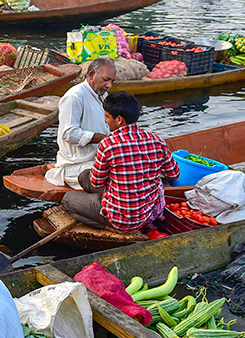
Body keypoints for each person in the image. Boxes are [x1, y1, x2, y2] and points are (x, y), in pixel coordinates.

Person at [61, 91, 180, 233]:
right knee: (83, 176)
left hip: (120, 219)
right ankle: (103, 202)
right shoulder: (158, 141)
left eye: (107, 117)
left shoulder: (107, 144)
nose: (105, 120)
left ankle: (109, 227)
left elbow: (97, 182)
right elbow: (174, 174)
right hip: (146, 213)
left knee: (67, 199)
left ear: (119, 120)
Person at [45, 57, 115, 190]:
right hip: (77, 166)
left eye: (112, 81)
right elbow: (68, 133)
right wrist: (103, 139)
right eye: (106, 80)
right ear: (92, 75)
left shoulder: (104, 96)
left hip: (98, 160)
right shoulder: (74, 97)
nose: (109, 85)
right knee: (119, 177)